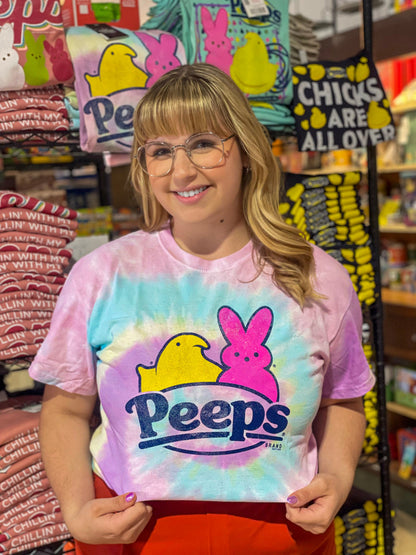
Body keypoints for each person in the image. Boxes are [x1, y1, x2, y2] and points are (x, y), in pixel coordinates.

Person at [29, 63, 375, 555]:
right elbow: (65, 408)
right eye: (160, 151)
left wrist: (337, 478)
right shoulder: (101, 275)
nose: (182, 171)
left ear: (247, 151)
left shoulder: (319, 278)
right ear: (143, 166)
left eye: (204, 144)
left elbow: (342, 400)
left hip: (283, 533)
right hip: (134, 533)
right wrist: (76, 508)